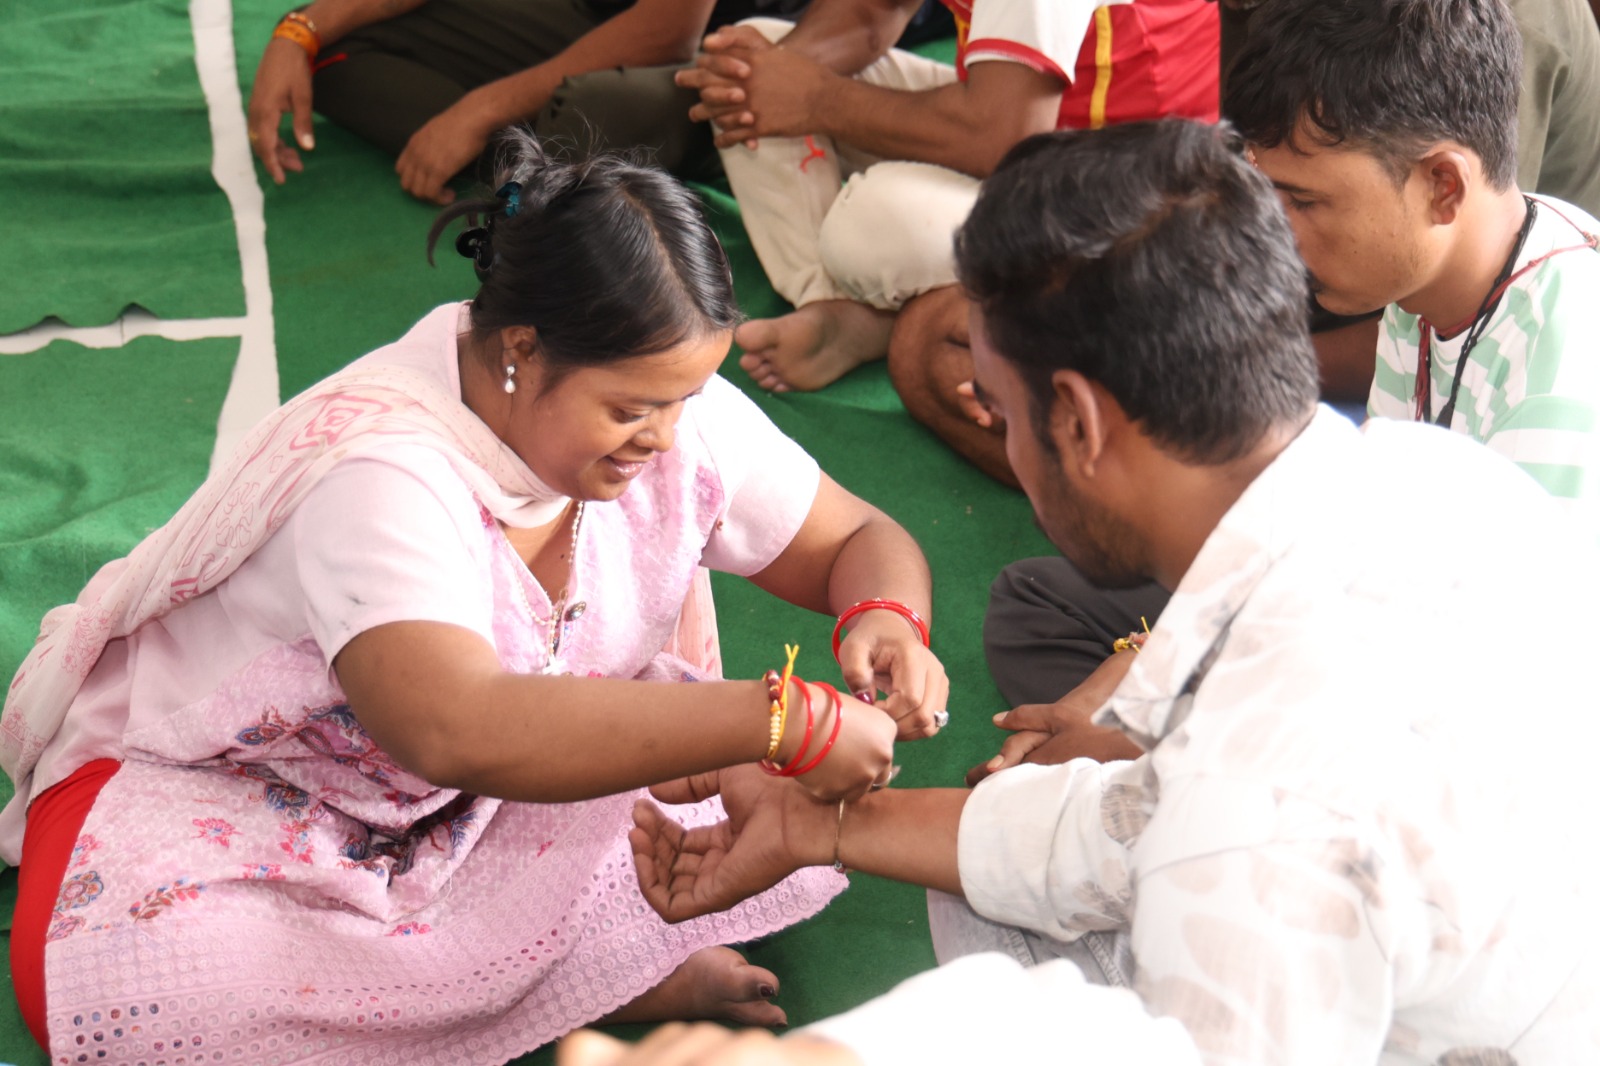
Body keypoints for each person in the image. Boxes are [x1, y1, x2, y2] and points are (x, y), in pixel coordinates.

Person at [574, 120, 1600, 1065]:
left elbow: (1226, 896)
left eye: (1001, 408)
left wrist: (833, 1054)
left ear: (1076, 419)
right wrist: (819, 827)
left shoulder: (1263, 791)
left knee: (1011, 930)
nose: (1004, 443)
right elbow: (1134, 824)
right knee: (1005, 857)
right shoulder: (1435, 475)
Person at [2, 137, 952, 1061]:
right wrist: (774, 720)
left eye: (685, 399)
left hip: (478, 791)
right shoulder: (384, 473)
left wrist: (886, 619)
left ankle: (524, 980)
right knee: (132, 986)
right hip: (244, 787)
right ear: (522, 351)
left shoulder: (671, 406)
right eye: (632, 409)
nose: (666, 438)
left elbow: (858, 540)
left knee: (766, 809)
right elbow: (453, 728)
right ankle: (582, 975)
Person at [979, 0, 1600, 782]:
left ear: (1443, 186)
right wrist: (1145, 674)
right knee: (1038, 602)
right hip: (1379, 637)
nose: (1281, 232)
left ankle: (1155, 796)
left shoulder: (1566, 360)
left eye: (1304, 201)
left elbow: (1483, 702)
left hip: (1472, 740)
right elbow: (1356, 544)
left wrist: (1151, 725)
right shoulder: (1422, 282)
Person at [673, 0, 1219, 394]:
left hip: (1131, 212)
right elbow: (870, 13)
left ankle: (881, 311)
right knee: (757, 49)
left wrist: (813, 98)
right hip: (1027, 132)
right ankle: (830, 304)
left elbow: (1003, 137)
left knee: (873, 222)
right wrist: (762, 80)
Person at [245, 0, 809, 202]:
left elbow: (670, 33)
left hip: (723, 59)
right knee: (332, 50)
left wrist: (483, 108)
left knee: (598, 110)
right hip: (595, 14)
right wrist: (301, 30)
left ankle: (543, 162)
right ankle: (546, 163)